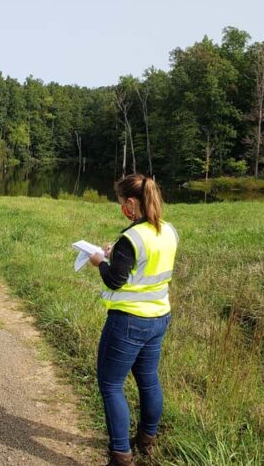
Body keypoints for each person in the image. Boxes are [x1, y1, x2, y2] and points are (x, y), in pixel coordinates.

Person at [88, 174, 179, 466]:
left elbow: (115, 281)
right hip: (159, 317)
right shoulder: (168, 231)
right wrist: (119, 256)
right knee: (149, 380)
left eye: (120, 203)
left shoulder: (131, 237)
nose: (121, 208)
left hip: (128, 322)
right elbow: (146, 263)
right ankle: (147, 440)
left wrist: (100, 261)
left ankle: (120, 455)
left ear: (130, 202)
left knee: (111, 385)